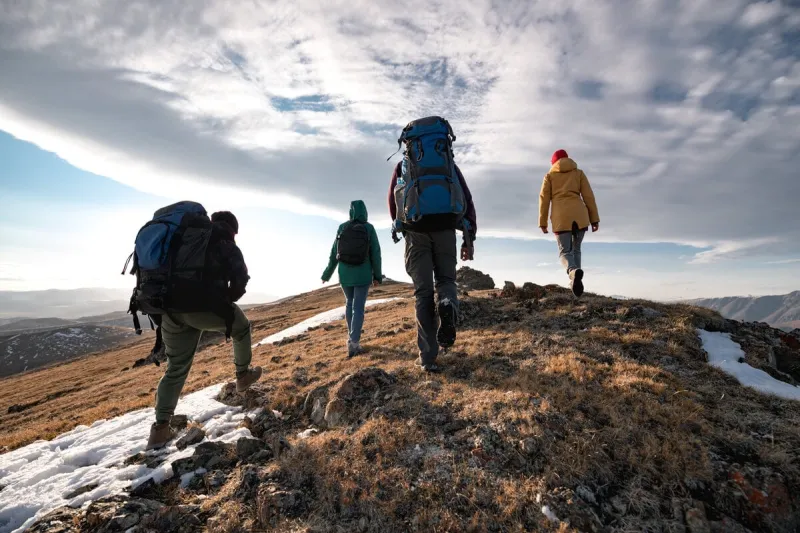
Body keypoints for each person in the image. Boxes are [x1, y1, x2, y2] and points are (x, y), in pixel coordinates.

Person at [147, 210, 262, 450]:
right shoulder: (226, 243)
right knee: (242, 328)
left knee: (176, 368)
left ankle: (160, 429)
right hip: (202, 307)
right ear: (233, 229)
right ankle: (243, 375)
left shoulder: (186, 240)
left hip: (170, 310)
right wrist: (225, 302)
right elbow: (240, 279)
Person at [389, 153, 477, 373]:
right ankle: (447, 303)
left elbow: (393, 201)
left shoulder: (403, 166)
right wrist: (469, 238)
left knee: (423, 293)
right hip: (446, 229)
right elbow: (466, 198)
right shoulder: (447, 165)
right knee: (446, 281)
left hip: (415, 231)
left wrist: (402, 226)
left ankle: (428, 358)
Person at [322, 200, 383, 357]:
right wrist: (377, 276)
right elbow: (376, 253)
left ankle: (352, 339)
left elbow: (333, 253)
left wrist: (327, 274)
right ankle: (354, 342)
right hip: (362, 274)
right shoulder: (369, 228)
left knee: (349, 304)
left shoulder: (343, 227)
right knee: (358, 308)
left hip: (345, 274)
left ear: (351, 212)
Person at [538, 149, 600, 297]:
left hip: (561, 217)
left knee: (565, 251)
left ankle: (572, 272)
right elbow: (588, 196)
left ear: (553, 162)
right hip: (580, 214)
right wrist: (594, 219)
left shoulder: (549, 176)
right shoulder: (578, 173)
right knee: (576, 249)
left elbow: (544, 200)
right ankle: (575, 284)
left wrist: (543, 222)